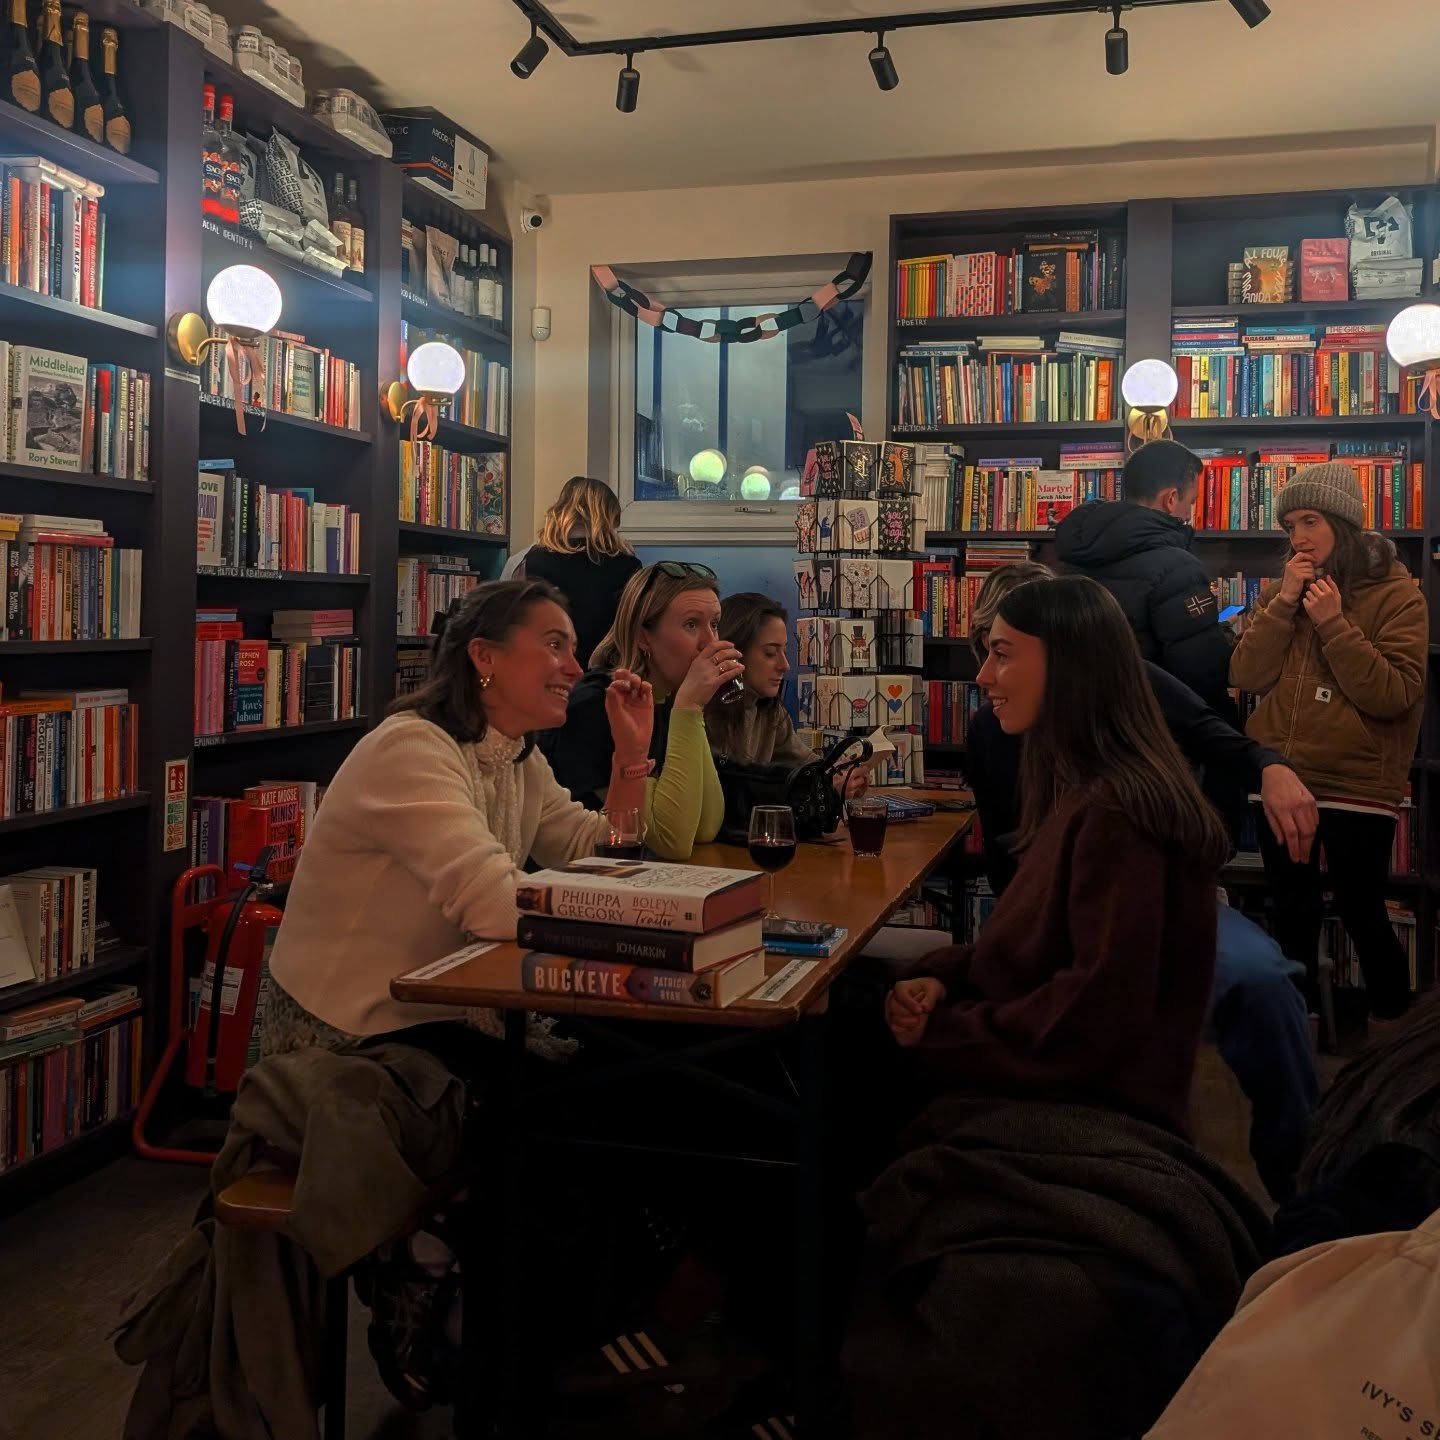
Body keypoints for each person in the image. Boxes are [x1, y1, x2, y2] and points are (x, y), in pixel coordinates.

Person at [962, 561, 1317, 1199]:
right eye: (989, 649)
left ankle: (1305, 1190)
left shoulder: (1133, 690)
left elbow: (1223, 743)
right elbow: (1008, 856)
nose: (987, 676)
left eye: (1007, 652)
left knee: (1264, 984)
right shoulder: (991, 729)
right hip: (1055, 910)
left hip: (1161, 901)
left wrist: (1271, 767)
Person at [886, 575, 1232, 1135]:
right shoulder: (1080, 788)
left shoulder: (1118, 815)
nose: (982, 677)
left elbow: (1092, 1017)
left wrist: (948, 1031)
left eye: (1001, 654)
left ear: (1068, 666)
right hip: (1059, 1088)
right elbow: (1039, 955)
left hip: (1082, 1114)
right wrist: (946, 979)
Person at [263, 577, 655, 1051]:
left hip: (442, 1009)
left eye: (573, 650)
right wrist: (632, 920)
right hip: (355, 1034)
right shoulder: (410, 748)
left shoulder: (517, 756)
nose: (575, 668)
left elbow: (596, 850)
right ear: (484, 656)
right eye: (555, 646)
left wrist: (630, 756)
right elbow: (494, 907)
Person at [1230, 461, 1426, 1027]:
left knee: (1364, 912)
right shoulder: (1282, 589)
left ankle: (1396, 1043)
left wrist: (1336, 624)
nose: (1298, 537)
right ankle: (1298, 1034)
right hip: (1283, 777)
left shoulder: (1397, 594)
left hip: (1355, 784)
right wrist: (1283, 603)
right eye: (1290, 524)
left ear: (1343, 522)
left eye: (1310, 520)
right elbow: (1248, 674)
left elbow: (1394, 694)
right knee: (1291, 912)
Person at [542, 561, 741, 859]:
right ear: (643, 636)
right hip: (573, 887)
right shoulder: (599, 706)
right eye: (691, 624)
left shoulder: (664, 700)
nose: (709, 643)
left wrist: (691, 709)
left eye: (714, 624)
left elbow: (706, 827)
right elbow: (671, 841)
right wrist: (689, 706)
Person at [1055, 438, 1238, 723]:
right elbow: (1201, 673)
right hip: (1152, 728)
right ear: (1171, 498)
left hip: (1079, 717)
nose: (1190, 513)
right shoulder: (1178, 567)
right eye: (1191, 502)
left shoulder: (1070, 556)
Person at [707, 590, 868, 798]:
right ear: (733, 653)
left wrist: (842, 775)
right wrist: (819, 784)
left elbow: (809, 766)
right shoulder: (703, 713)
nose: (785, 665)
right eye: (770, 653)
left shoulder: (770, 710)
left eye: (784, 651)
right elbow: (732, 790)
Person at [502, 476, 642, 672]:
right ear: (611, 519)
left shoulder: (524, 561)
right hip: (606, 679)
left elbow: (503, 626)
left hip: (543, 673)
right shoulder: (629, 566)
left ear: (559, 512)